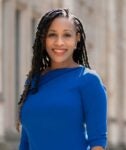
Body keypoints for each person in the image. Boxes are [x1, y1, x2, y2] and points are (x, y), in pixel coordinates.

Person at [16, 8, 108, 150]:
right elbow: (25, 143)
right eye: (52, 35)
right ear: (44, 39)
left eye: (67, 35)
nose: (59, 42)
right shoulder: (33, 81)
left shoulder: (89, 81)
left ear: (77, 38)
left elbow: (98, 143)